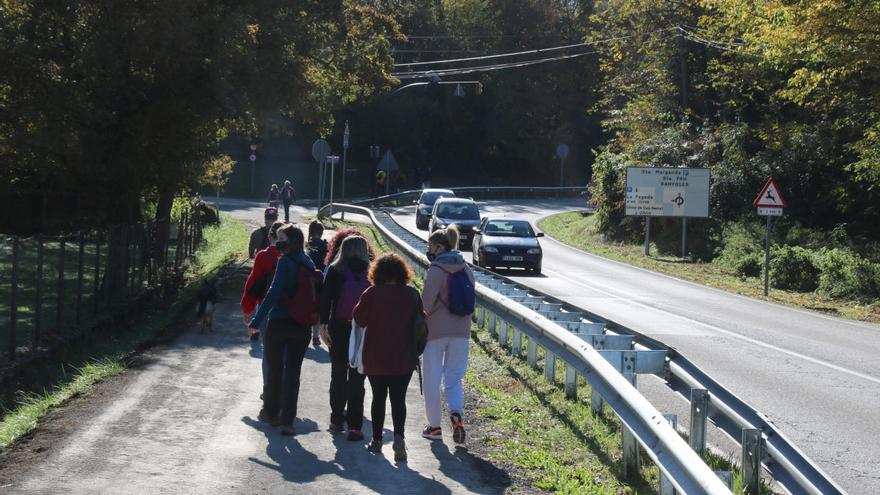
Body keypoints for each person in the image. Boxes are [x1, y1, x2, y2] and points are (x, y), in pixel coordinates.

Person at [353, 253, 423, 461]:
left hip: (376, 355)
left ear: (378, 272)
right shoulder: (411, 294)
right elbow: (421, 319)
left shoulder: (371, 293)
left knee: (378, 398)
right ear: (403, 272)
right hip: (404, 356)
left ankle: (376, 441)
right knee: (398, 399)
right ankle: (399, 438)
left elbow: (359, 318)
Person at [248, 224, 316, 436]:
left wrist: (256, 320)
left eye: (281, 238)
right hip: (302, 325)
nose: (278, 242)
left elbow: (273, 293)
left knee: (275, 369)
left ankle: (271, 413)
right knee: (293, 372)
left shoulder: (285, 262)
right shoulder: (308, 262)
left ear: (291, 240)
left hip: (279, 322)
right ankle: (288, 421)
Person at [420, 226, 475, 444]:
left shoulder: (436, 270)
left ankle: (434, 427)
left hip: (436, 332)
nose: (428, 249)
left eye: (430, 245)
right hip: (461, 332)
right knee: (453, 378)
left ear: (439, 247)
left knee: (432, 378)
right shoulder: (466, 268)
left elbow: (425, 304)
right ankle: (456, 414)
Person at [319, 236, 372, 441]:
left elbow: (326, 299)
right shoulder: (371, 272)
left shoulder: (335, 270)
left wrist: (323, 325)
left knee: (338, 375)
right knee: (357, 379)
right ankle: (355, 426)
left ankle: (335, 420)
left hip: (338, 328)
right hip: (361, 330)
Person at [241, 220, 284, 392]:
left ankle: (268, 388)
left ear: (270, 236)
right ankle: (282, 387)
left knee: (268, 351)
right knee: (285, 353)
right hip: (289, 312)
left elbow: (252, 284)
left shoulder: (264, 256)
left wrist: (248, 310)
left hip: (266, 310)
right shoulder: (294, 256)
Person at [306, 220, 329, 347]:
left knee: (308, 306)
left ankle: (307, 332)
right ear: (321, 233)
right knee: (318, 308)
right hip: (321, 279)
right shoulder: (325, 246)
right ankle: (315, 336)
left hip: (308, 279)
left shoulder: (307, 245)